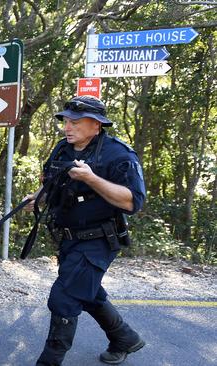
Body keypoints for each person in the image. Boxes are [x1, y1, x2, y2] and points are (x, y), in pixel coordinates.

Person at [24, 96, 146, 365]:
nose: (68, 127)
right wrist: (36, 198)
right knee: (85, 290)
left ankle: (48, 361)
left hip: (99, 239)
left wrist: (91, 178)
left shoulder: (119, 155)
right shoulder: (62, 150)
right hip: (68, 239)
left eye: (75, 122)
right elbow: (51, 184)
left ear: (96, 125)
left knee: (64, 299)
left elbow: (132, 202)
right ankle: (125, 338)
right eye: (66, 121)